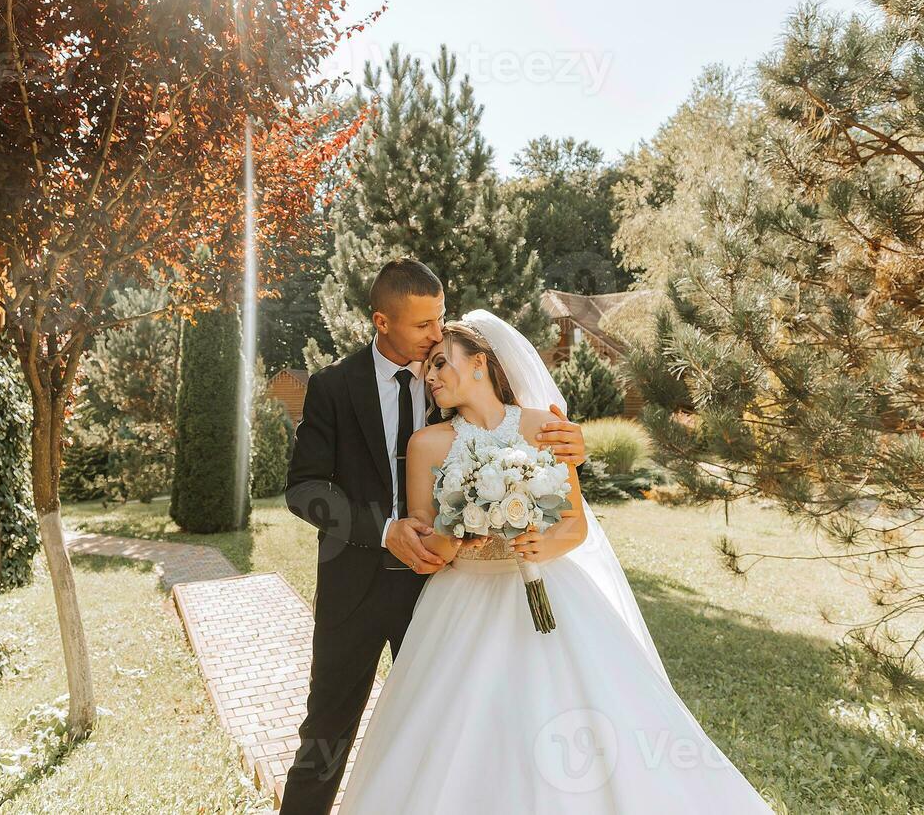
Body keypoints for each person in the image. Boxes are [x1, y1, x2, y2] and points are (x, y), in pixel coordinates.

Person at [336, 313, 776, 814]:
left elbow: (574, 525)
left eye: (440, 363)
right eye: (426, 372)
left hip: (552, 593)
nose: (431, 377)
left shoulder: (546, 427)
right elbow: (427, 553)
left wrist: (536, 549)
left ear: (480, 363)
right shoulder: (427, 445)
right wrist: (460, 532)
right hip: (462, 602)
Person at [282, 260, 587, 815]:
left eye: (440, 320)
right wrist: (382, 531)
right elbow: (304, 490)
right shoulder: (332, 386)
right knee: (327, 730)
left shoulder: (447, 376)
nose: (433, 336)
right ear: (382, 321)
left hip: (442, 591)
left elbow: (519, 424)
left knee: (440, 729)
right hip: (356, 585)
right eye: (423, 325)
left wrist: (572, 447)